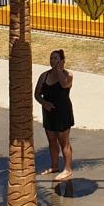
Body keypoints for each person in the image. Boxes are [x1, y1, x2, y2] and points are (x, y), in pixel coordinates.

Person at [35, 49, 76, 181]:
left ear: (62, 61)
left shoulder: (68, 75)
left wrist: (59, 69)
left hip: (63, 112)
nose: (52, 61)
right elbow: (36, 94)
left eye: (56, 59)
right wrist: (44, 103)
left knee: (63, 141)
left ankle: (68, 169)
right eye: (51, 58)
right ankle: (54, 166)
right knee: (51, 140)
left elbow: (64, 85)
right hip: (48, 112)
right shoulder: (44, 76)